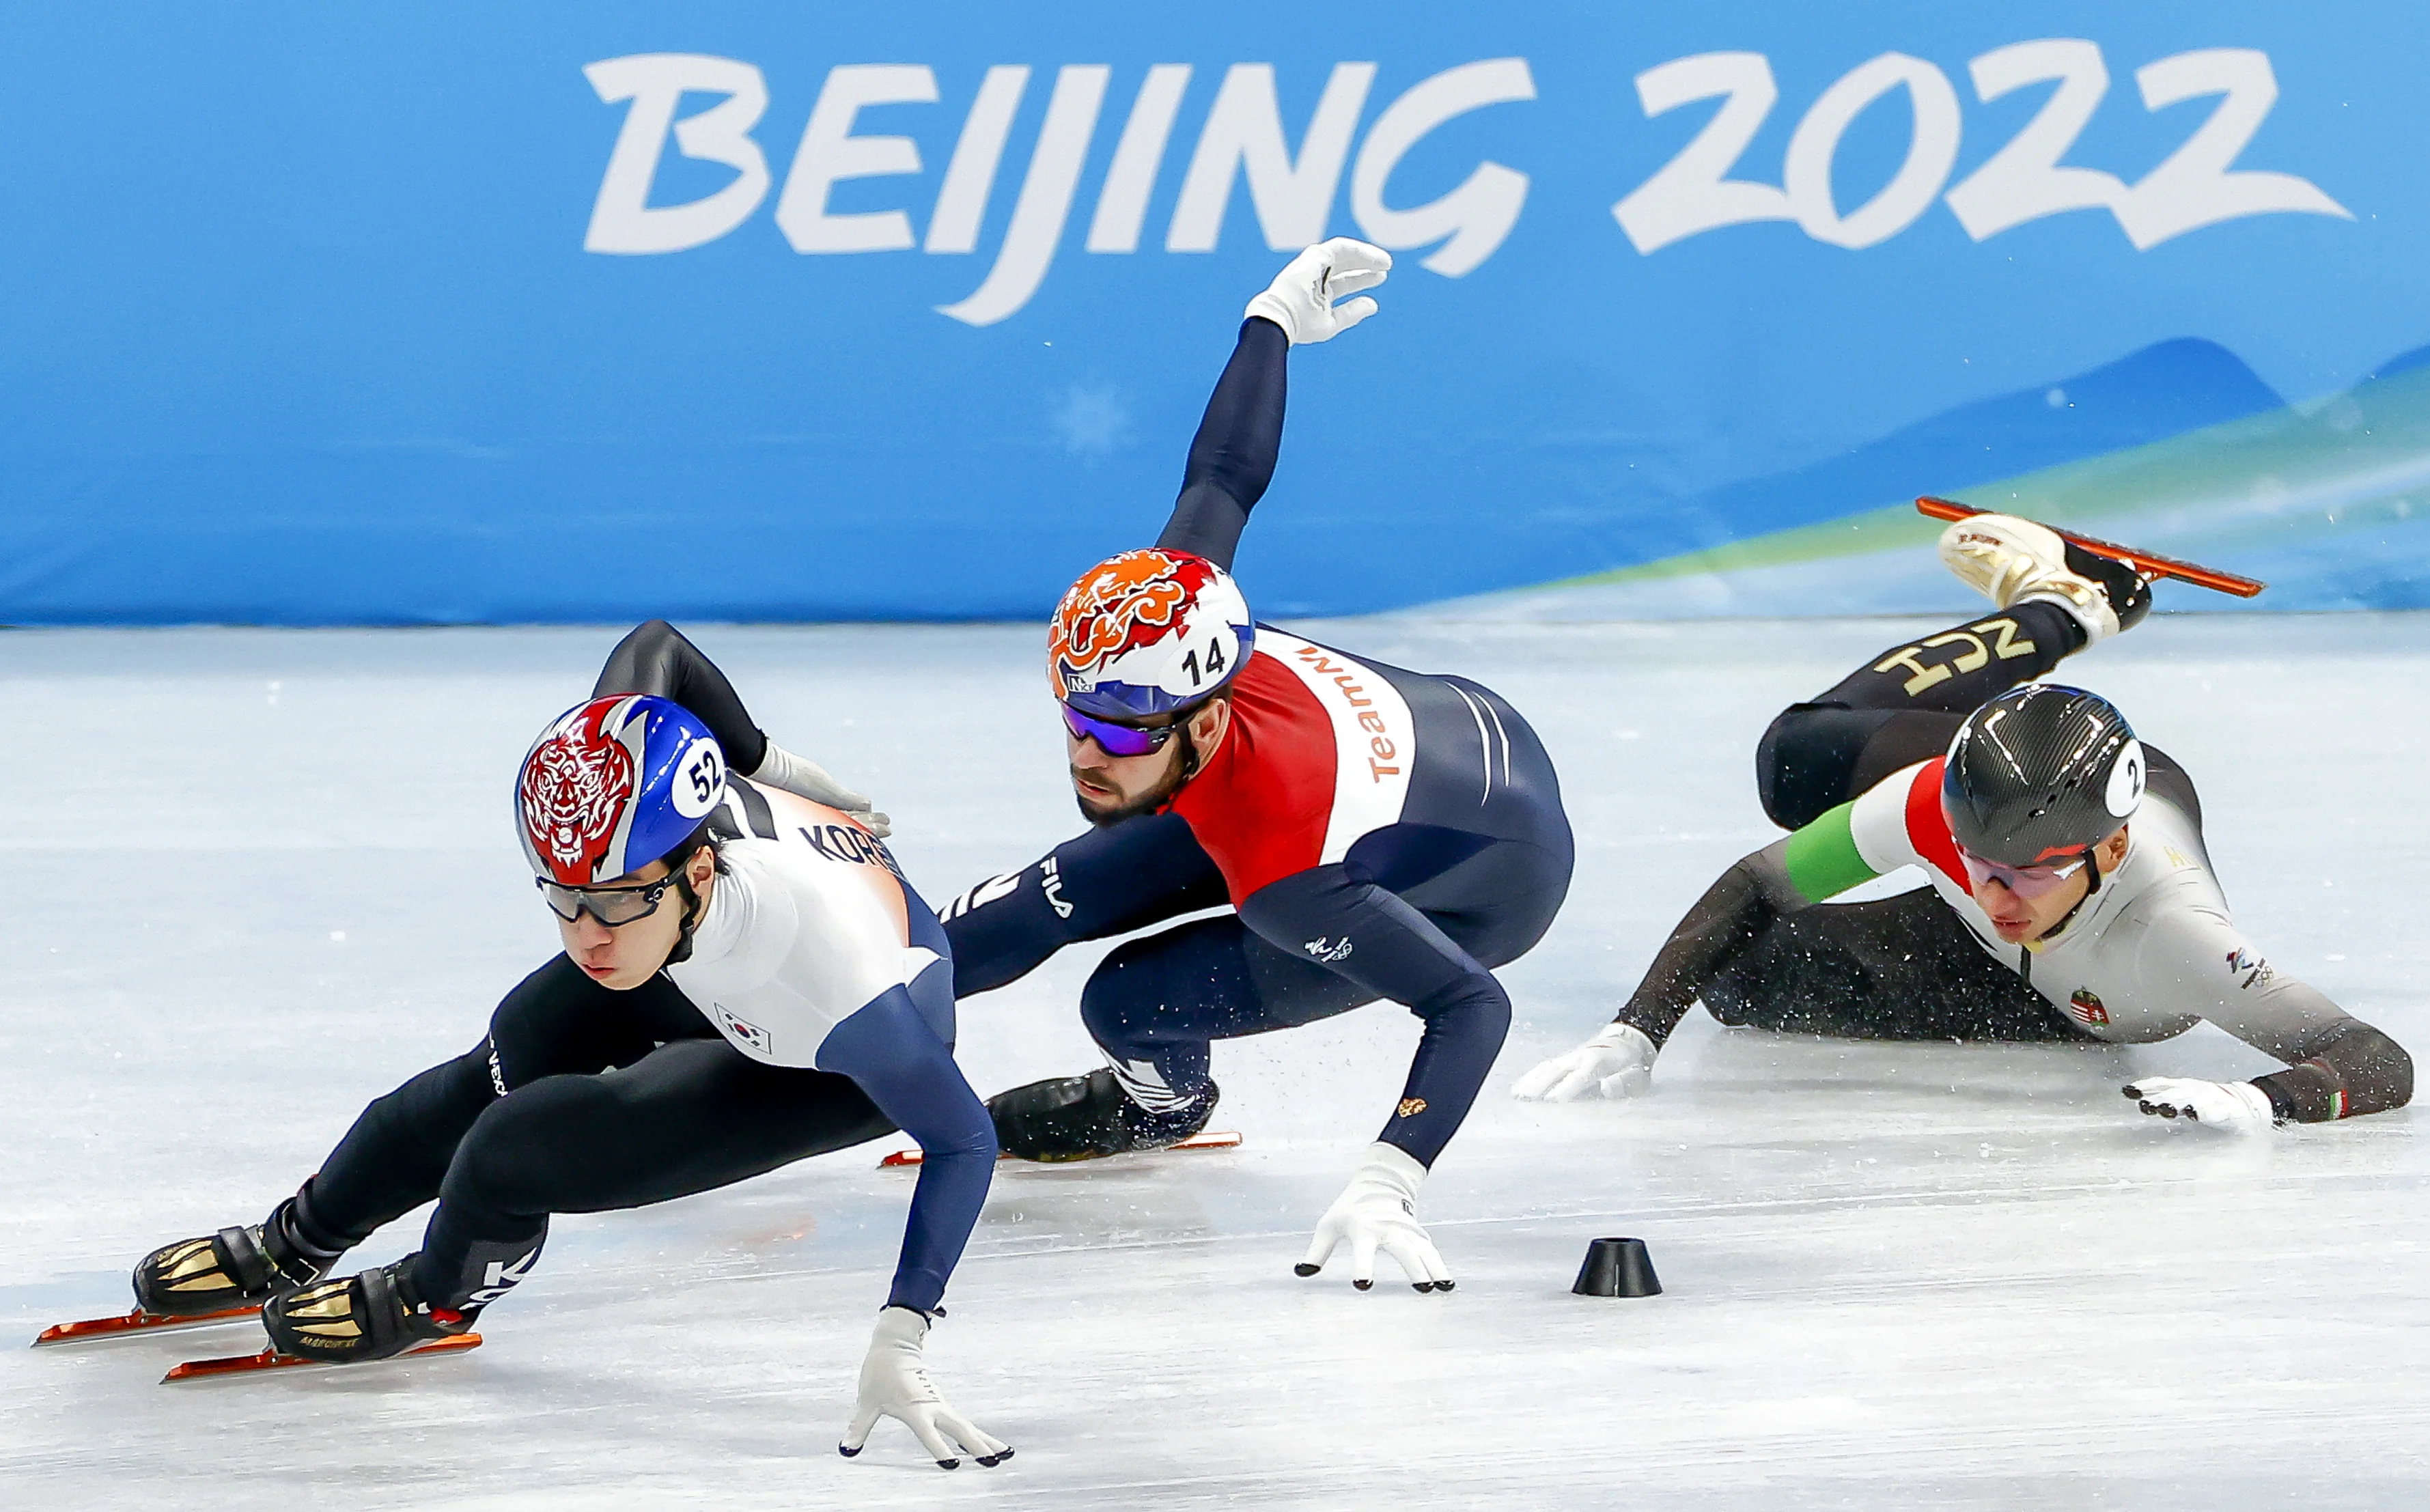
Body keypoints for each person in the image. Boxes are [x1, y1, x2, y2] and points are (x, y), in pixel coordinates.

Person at [130, 622, 1009, 1470]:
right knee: (505, 1056)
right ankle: (301, 1236)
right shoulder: (623, 784)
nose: (587, 933)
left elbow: (965, 1137)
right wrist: (765, 762)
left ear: (696, 869)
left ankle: (434, 1295)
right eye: (563, 895)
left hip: (819, 1061)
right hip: (699, 949)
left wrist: (905, 1328)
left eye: (616, 899)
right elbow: (656, 648)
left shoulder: (840, 989)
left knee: (514, 1152)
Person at [937, 239, 1576, 1293]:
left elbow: (1472, 1007)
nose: (1091, 754)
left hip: (1477, 881)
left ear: (1202, 716)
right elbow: (1224, 475)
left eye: (1128, 733)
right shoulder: (1176, 610)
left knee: (1127, 1001)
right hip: (1433, 746)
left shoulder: (1288, 869)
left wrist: (1391, 1173)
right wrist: (1270, 322)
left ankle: (1164, 1105)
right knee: (1005, 920)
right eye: (1077, 718)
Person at [1513, 514, 2413, 1128]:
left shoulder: (2175, 932)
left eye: (2027, 872)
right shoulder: (1934, 810)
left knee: (1748, 980)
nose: (1993, 892)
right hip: (2011, 856)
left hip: (2069, 1007)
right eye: (1974, 862)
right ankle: (2062, 610)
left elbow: (2371, 1055)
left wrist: (2270, 1100)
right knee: (1798, 763)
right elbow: (1759, 878)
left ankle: (2064, 610)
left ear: (2108, 849)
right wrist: (1634, 1029)